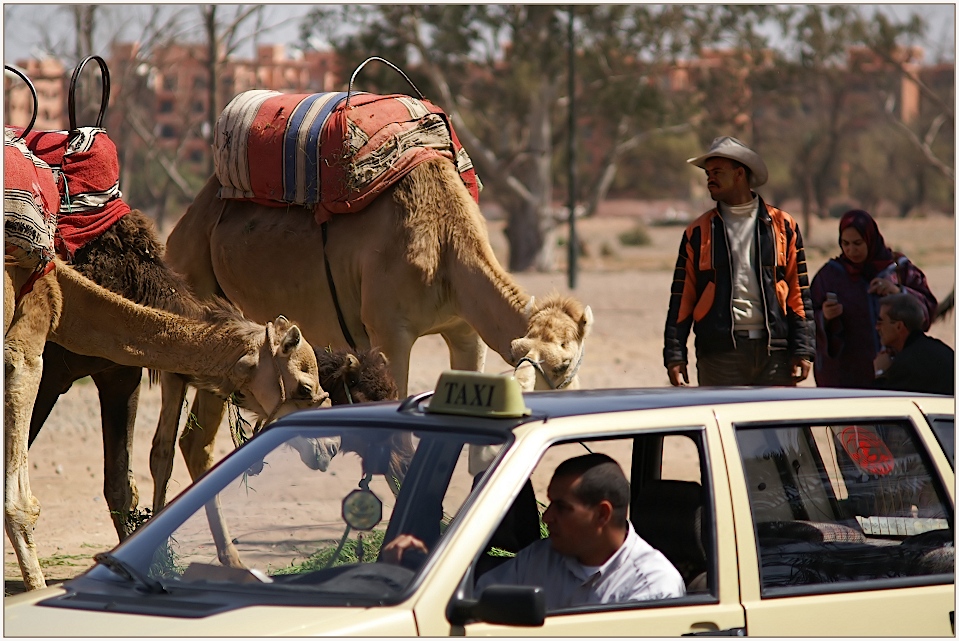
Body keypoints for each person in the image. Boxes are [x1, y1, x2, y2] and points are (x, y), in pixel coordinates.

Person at [381, 453, 686, 611]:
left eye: (562, 508)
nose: (546, 516)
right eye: (549, 503)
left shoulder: (652, 588)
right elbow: (467, 601)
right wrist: (426, 564)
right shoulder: (541, 559)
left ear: (602, 514)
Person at [664, 136, 815, 386]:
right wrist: (675, 354)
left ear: (739, 174)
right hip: (719, 355)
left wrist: (804, 349)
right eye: (707, 173)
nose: (710, 178)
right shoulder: (698, 232)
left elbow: (799, 294)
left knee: (777, 426)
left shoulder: (783, 226)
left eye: (717, 172)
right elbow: (682, 298)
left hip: (775, 354)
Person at [810, 209, 938, 389]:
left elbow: (928, 309)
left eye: (857, 243)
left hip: (897, 372)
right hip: (845, 378)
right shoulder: (830, 276)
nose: (851, 250)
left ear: (870, 240)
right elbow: (805, 316)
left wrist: (898, 292)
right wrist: (825, 316)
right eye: (845, 243)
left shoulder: (898, 271)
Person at [873, 292, 954, 395]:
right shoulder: (941, 349)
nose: (877, 327)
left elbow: (883, 403)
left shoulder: (906, 365)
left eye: (881, 322)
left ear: (899, 326)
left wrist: (879, 372)